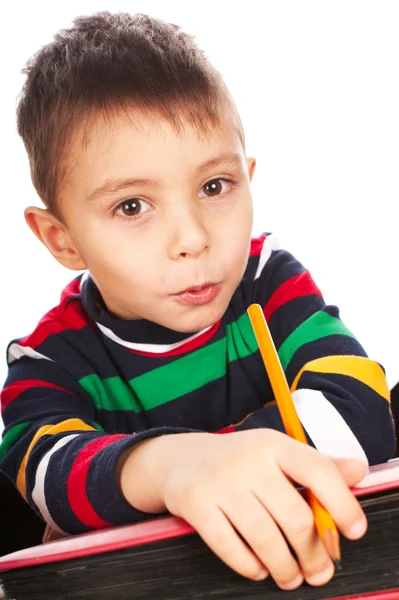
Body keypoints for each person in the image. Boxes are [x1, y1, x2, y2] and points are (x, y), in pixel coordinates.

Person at [0, 11, 395, 591]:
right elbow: (46, 477)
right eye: (132, 206)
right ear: (62, 238)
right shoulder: (48, 363)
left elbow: (358, 406)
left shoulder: (266, 277)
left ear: (248, 178)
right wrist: (174, 469)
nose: (193, 240)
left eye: (215, 187)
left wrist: (203, 468)